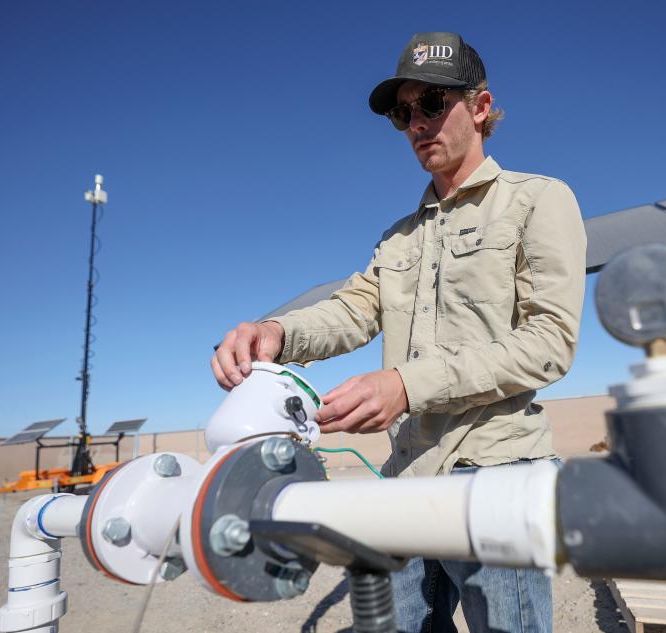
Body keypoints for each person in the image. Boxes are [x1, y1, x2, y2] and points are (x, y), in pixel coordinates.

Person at [212, 31, 586, 633]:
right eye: (402, 113)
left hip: (496, 476)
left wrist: (405, 386)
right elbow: (354, 309)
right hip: (406, 477)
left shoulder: (539, 201)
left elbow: (549, 344)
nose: (417, 123)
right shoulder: (399, 237)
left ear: (481, 107)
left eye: (432, 104)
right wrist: (275, 332)